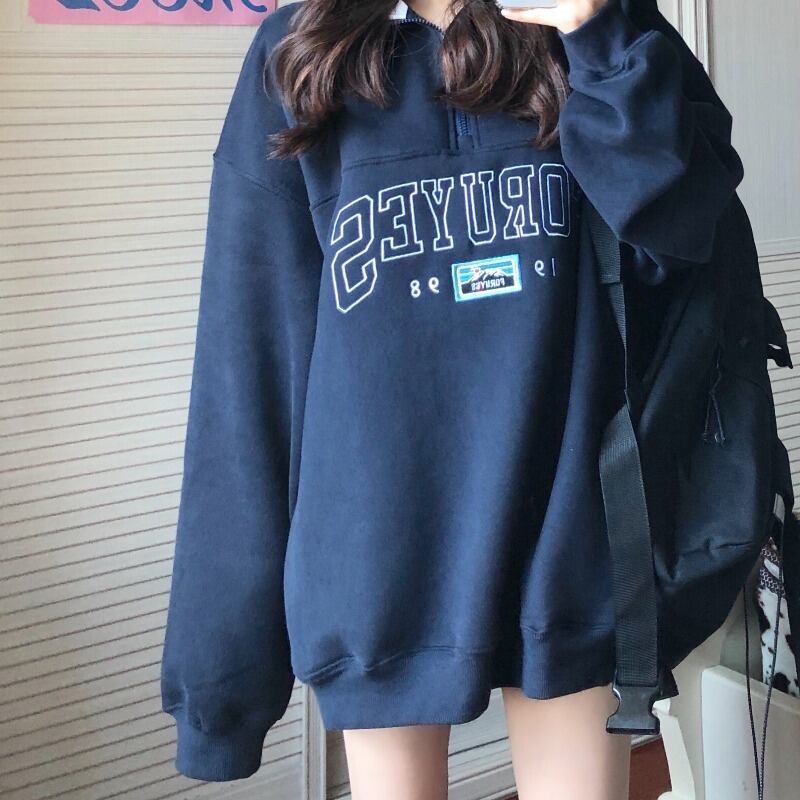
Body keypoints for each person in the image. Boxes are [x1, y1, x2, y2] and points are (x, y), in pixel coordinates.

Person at [159, 0, 744, 797]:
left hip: (572, 548)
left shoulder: (601, 25)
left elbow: (684, 235)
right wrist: (220, 683)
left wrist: (597, 35)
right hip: (376, 568)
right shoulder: (299, 50)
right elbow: (249, 364)